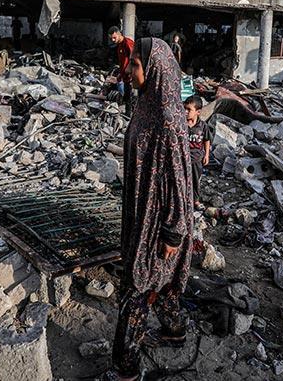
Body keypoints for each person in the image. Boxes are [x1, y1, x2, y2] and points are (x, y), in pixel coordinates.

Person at [110, 38, 193, 381]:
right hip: (141, 210)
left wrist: (173, 232)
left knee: (137, 286)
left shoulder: (169, 119)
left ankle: (125, 368)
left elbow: (179, 181)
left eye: (135, 64)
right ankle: (175, 331)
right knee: (165, 282)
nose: (128, 70)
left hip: (159, 221)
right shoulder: (148, 103)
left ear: (155, 68)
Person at [184, 95, 211, 209]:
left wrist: (207, 155)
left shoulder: (202, 126)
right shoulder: (181, 124)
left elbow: (207, 140)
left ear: (198, 112)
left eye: (189, 109)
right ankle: (183, 199)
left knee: (195, 180)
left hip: (196, 159)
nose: (185, 112)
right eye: (184, 108)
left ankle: (195, 200)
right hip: (182, 158)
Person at [108, 26, 135, 114]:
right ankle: (128, 115)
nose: (113, 40)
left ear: (119, 34)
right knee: (127, 97)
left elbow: (134, 59)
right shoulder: (119, 46)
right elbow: (122, 63)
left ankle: (131, 115)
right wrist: (120, 74)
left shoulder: (128, 43)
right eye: (111, 38)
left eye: (114, 37)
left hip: (131, 76)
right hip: (125, 76)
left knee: (131, 97)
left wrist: (131, 73)